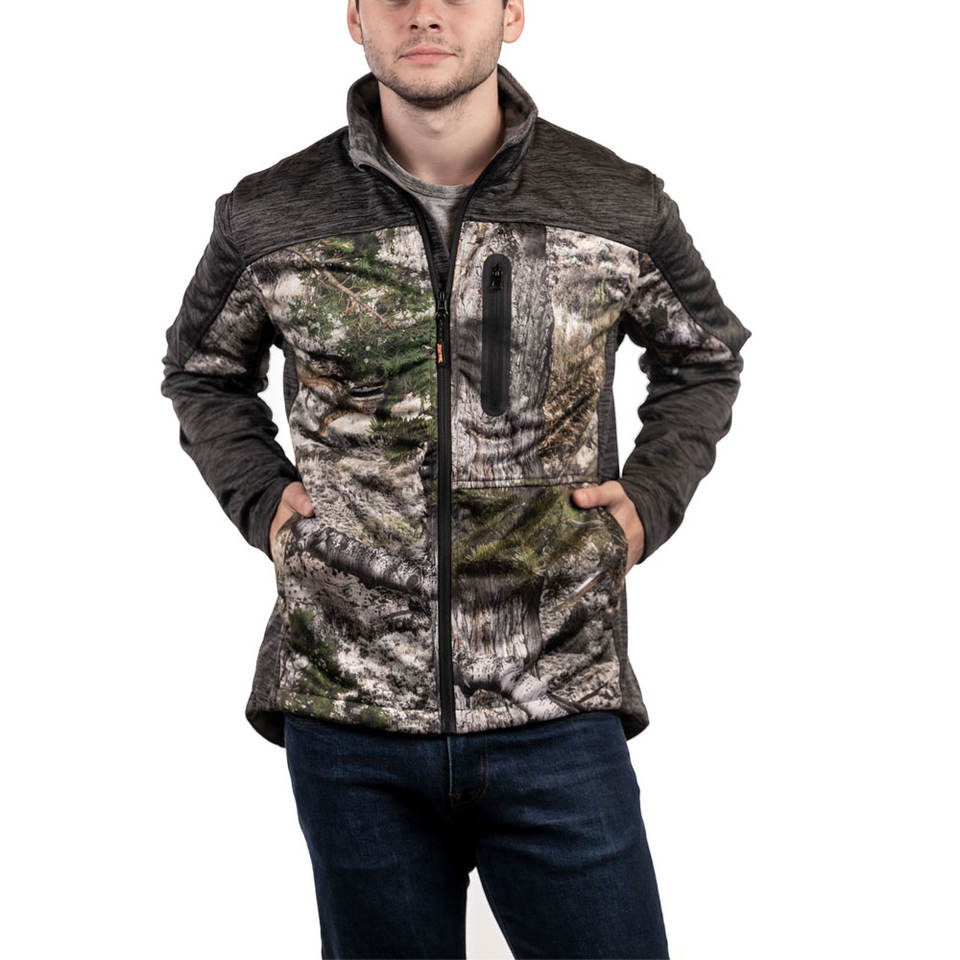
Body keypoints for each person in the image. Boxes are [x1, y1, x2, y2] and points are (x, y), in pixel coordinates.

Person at [160, 1, 751, 956]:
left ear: (512, 14)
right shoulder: (268, 214)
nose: (426, 12)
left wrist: (648, 502)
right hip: (349, 710)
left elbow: (705, 357)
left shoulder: (616, 201)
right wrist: (264, 501)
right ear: (355, 16)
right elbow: (201, 371)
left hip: (557, 697)